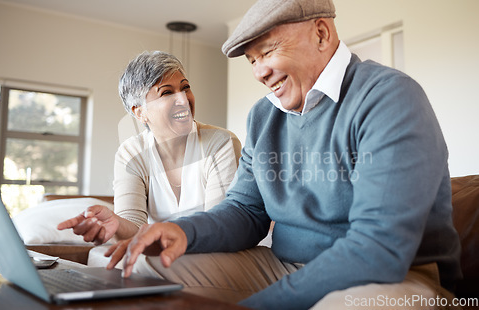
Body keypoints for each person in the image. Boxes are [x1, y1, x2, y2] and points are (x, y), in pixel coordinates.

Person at [105, 1, 462, 309]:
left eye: (269, 52)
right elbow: (245, 211)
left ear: (322, 34)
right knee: (143, 269)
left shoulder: (389, 98)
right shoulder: (264, 115)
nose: (260, 72)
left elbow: (378, 249)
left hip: (397, 276)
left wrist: (262, 305)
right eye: (252, 60)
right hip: (284, 265)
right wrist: (182, 232)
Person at [57, 51, 241, 247]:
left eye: (185, 88)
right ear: (140, 112)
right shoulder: (131, 153)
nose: (184, 100)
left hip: (216, 246)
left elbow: (220, 224)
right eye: (167, 92)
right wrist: (116, 223)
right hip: (164, 248)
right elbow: (133, 226)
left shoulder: (221, 143)